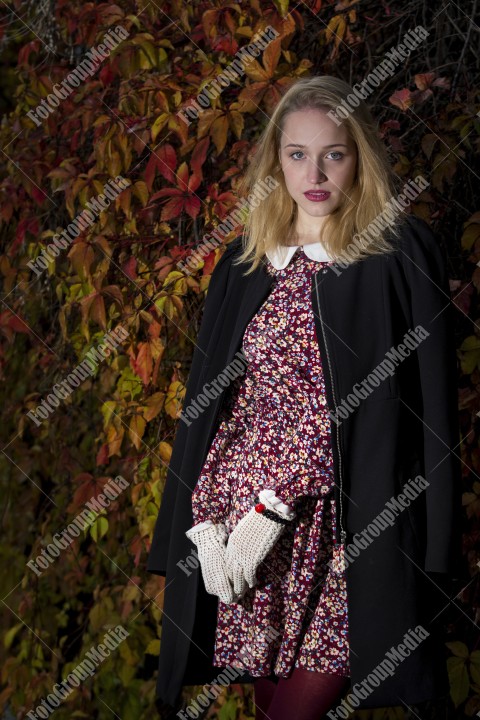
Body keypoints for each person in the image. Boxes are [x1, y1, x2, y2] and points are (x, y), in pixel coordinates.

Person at [147, 76, 462, 719]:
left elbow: (432, 405)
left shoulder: (397, 252)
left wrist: (433, 535)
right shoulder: (244, 261)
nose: (314, 172)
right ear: (275, 160)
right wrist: (205, 515)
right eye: (297, 154)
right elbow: (216, 406)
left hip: (352, 525)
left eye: (334, 154)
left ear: (359, 156)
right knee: (269, 703)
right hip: (255, 533)